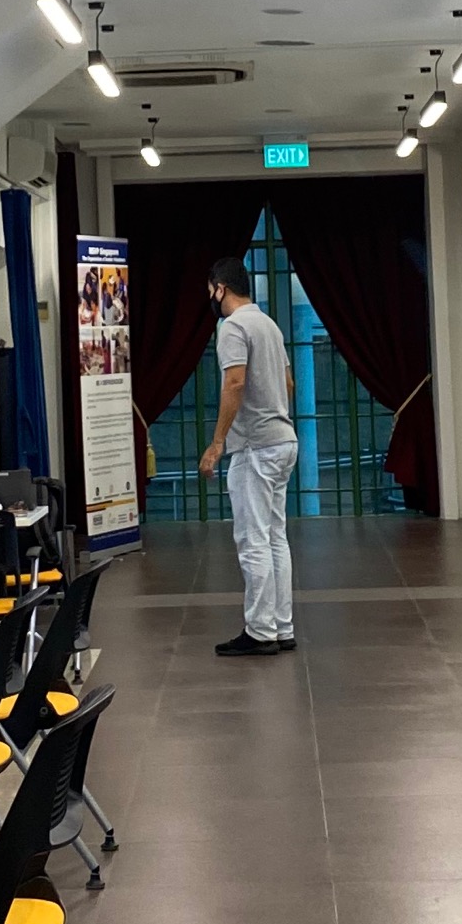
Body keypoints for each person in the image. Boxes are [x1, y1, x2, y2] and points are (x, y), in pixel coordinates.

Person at [198, 253, 298, 654]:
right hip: (284, 440)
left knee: (252, 540)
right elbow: (288, 384)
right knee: (275, 538)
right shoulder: (269, 325)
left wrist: (217, 442)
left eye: (211, 290)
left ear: (221, 289)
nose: (211, 297)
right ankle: (282, 627)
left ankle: (259, 632)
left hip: (255, 448)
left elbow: (235, 383)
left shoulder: (233, 327)